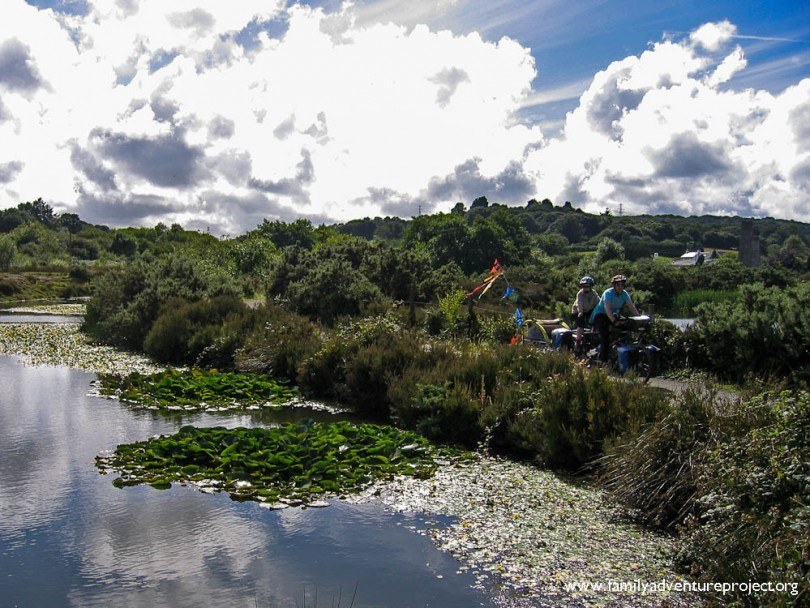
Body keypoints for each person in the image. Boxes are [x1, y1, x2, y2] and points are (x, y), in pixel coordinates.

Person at [589, 274, 640, 362]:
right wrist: (614, 321)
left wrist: (639, 319)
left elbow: (632, 307)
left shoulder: (624, 294)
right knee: (605, 336)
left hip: (613, 315)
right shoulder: (608, 293)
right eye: (618, 285)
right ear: (614, 285)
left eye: (622, 285)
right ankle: (603, 361)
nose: (621, 287)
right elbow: (607, 309)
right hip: (601, 315)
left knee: (627, 328)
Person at [571, 276, 599, 348]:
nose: (585, 288)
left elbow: (599, 302)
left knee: (596, 320)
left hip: (588, 310)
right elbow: (579, 303)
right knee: (581, 325)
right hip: (578, 311)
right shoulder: (580, 293)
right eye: (583, 286)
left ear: (590, 287)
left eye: (587, 286)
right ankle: (577, 342)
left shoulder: (593, 293)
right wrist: (580, 312)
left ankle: (593, 335)